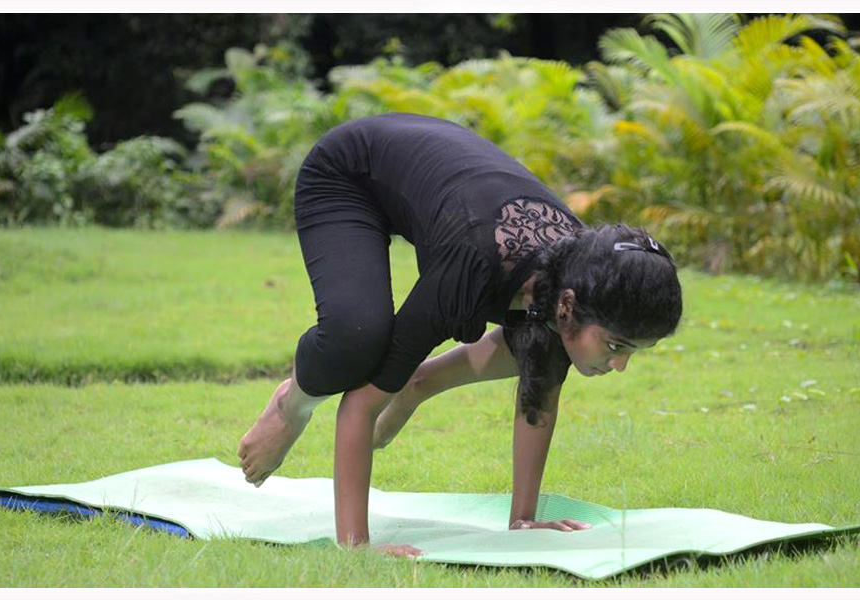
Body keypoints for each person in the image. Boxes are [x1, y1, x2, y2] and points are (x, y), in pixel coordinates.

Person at [237, 112, 683, 558]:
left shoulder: (582, 276)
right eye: (616, 346)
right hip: (349, 175)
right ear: (567, 306)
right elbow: (361, 405)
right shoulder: (472, 266)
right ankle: (292, 403)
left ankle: (414, 383)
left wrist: (523, 520)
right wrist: (357, 548)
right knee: (357, 338)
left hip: (438, 179)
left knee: (543, 345)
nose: (620, 365)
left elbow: (540, 385)